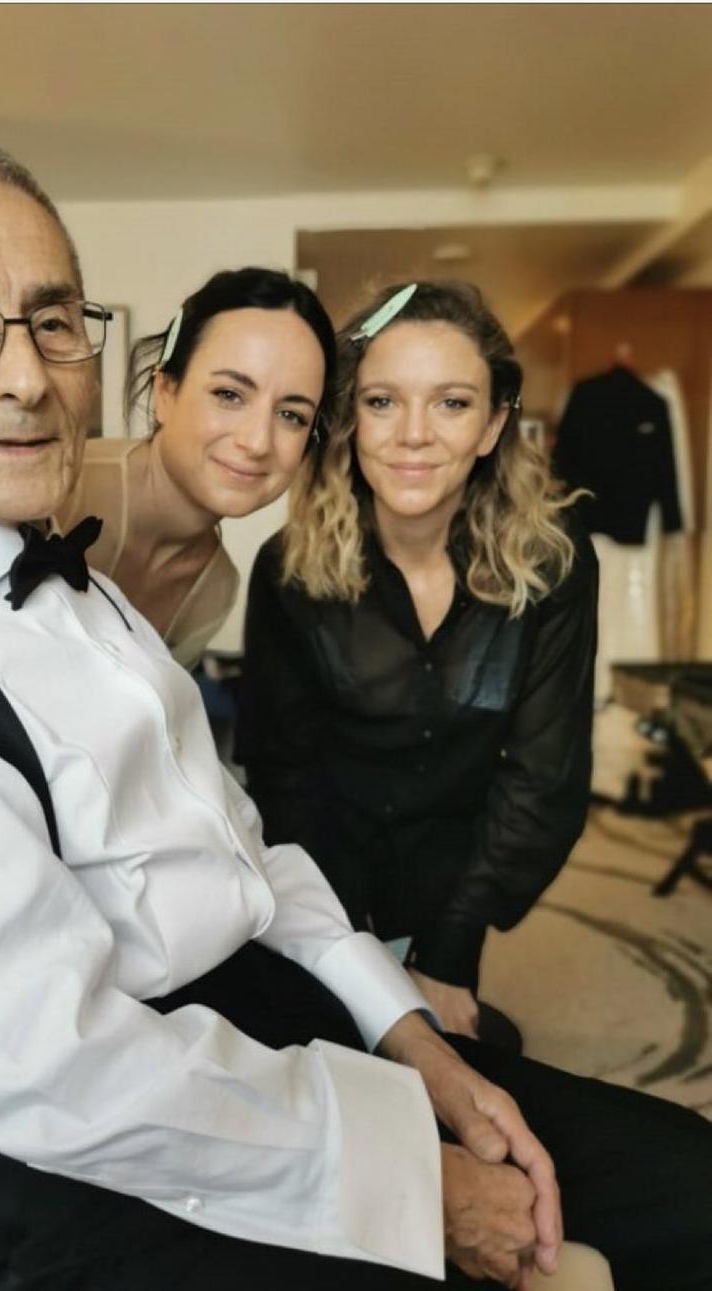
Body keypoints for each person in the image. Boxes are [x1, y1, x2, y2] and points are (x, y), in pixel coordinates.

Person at [0, 146, 712, 1291]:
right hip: (106, 1155)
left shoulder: (94, 593)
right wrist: (412, 1177)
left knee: (688, 1181)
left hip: (273, 1013)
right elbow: (55, 1072)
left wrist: (407, 1032)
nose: (23, 376)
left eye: (54, 324)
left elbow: (248, 851)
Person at [238, 281, 596, 1044]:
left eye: (452, 403)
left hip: (460, 878)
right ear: (349, 421)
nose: (413, 435)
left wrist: (450, 951)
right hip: (329, 874)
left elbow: (545, 779)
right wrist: (354, 949)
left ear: (495, 424)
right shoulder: (289, 568)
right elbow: (284, 775)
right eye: (382, 402)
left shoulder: (553, 565)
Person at [56, 267, 335, 668]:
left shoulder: (215, 588)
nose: (257, 442)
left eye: (291, 415)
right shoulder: (61, 489)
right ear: (166, 392)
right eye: (229, 394)